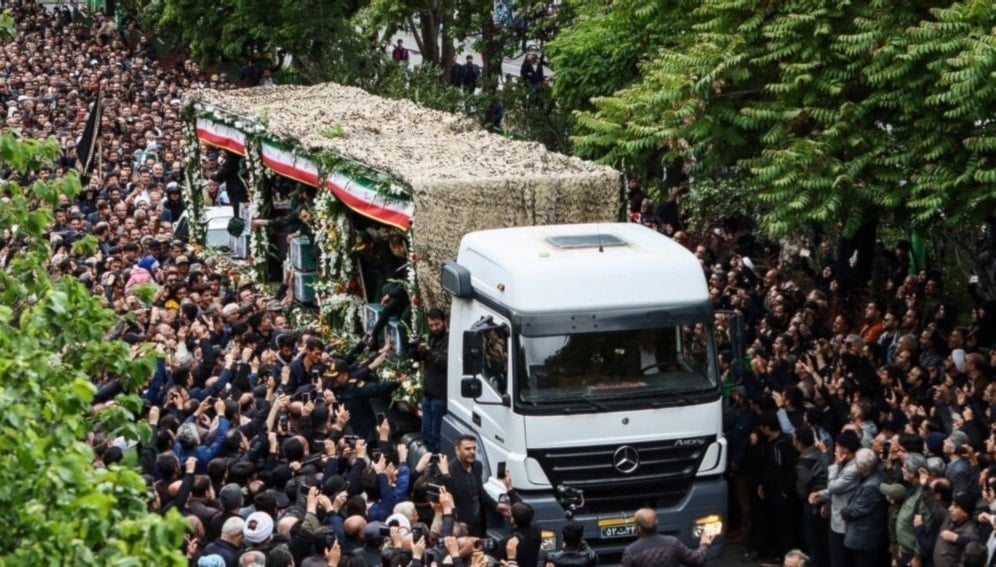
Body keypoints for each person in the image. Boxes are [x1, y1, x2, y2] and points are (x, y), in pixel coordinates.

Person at [839, 448, 889, 567]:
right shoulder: (875, 474)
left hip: (865, 540)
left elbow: (855, 510)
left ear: (862, 469)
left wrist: (843, 510)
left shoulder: (871, 486)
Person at [620, 507, 714, 566]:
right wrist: (704, 545)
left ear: (639, 528)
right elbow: (697, 560)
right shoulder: (673, 543)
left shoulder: (631, 551)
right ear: (657, 523)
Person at [410, 307, 448, 453]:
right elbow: (421, 358)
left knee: (436, 437)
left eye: (437, 324)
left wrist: (428, 351)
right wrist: (414, 348)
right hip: (428, 396)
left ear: (444, 322)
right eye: (431, 325)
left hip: (440, 397)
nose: (434, 328)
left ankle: (437, 468)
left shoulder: (448, 340)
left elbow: (443, 363)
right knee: (426, 434)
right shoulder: (433, 340)